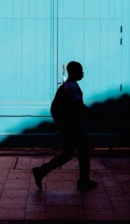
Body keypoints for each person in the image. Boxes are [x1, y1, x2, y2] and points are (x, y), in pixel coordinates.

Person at [32, 61, 100, 191]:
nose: (82, 73)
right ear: (73, 71)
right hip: (73, 127)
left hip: (71, 126)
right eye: (80, 70)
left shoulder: (68, 86)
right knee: (78, 152)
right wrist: (96, 115)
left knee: (72, 153)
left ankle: (42, 172)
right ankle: (82, 180)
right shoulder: (72, 87)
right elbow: (78, 105)